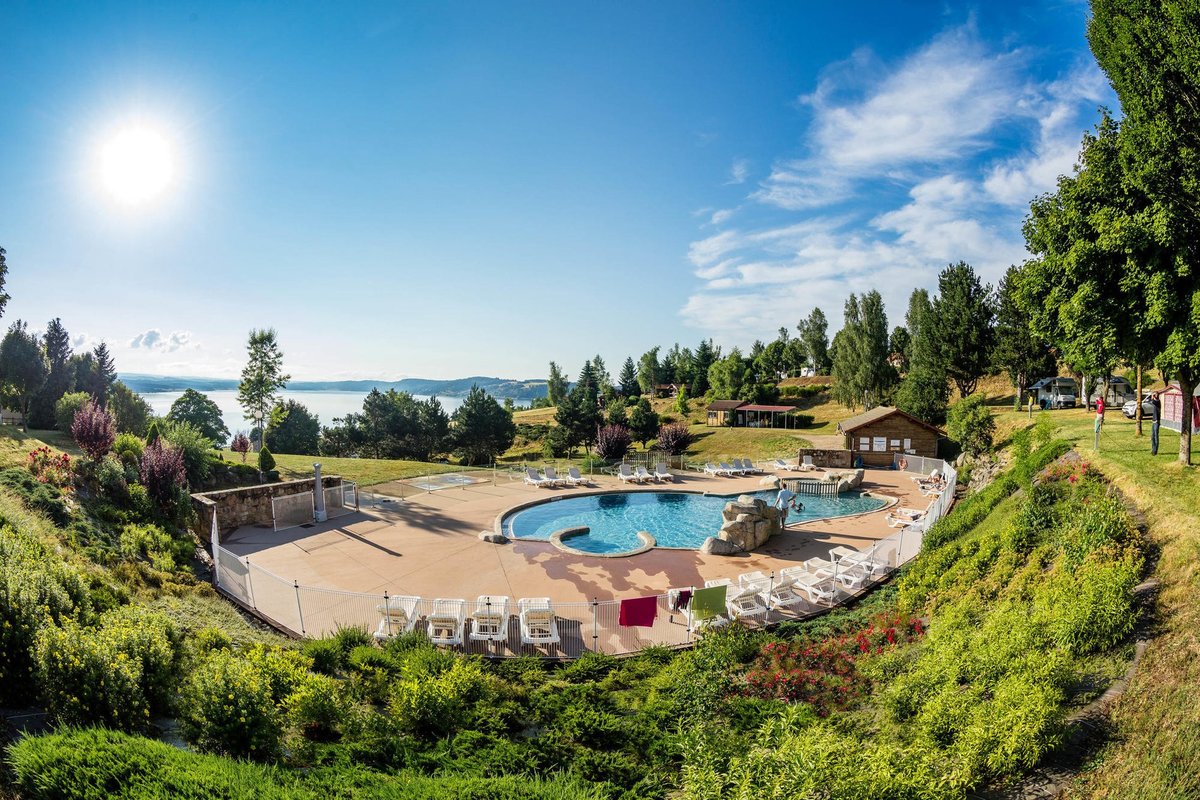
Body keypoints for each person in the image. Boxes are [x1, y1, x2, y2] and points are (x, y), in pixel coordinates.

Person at [1150, 390, 1162, 456]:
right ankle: (1153, 449)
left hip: (1157, 421)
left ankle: (1155, 451)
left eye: (1156, 394)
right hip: (1154, 421)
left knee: (1156, 436)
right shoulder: (1155, 401)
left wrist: (1153, 396)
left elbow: (1153, 401)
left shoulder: (1158, 402)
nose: (1155, 395)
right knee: (1152, 437)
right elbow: (1152, 401)